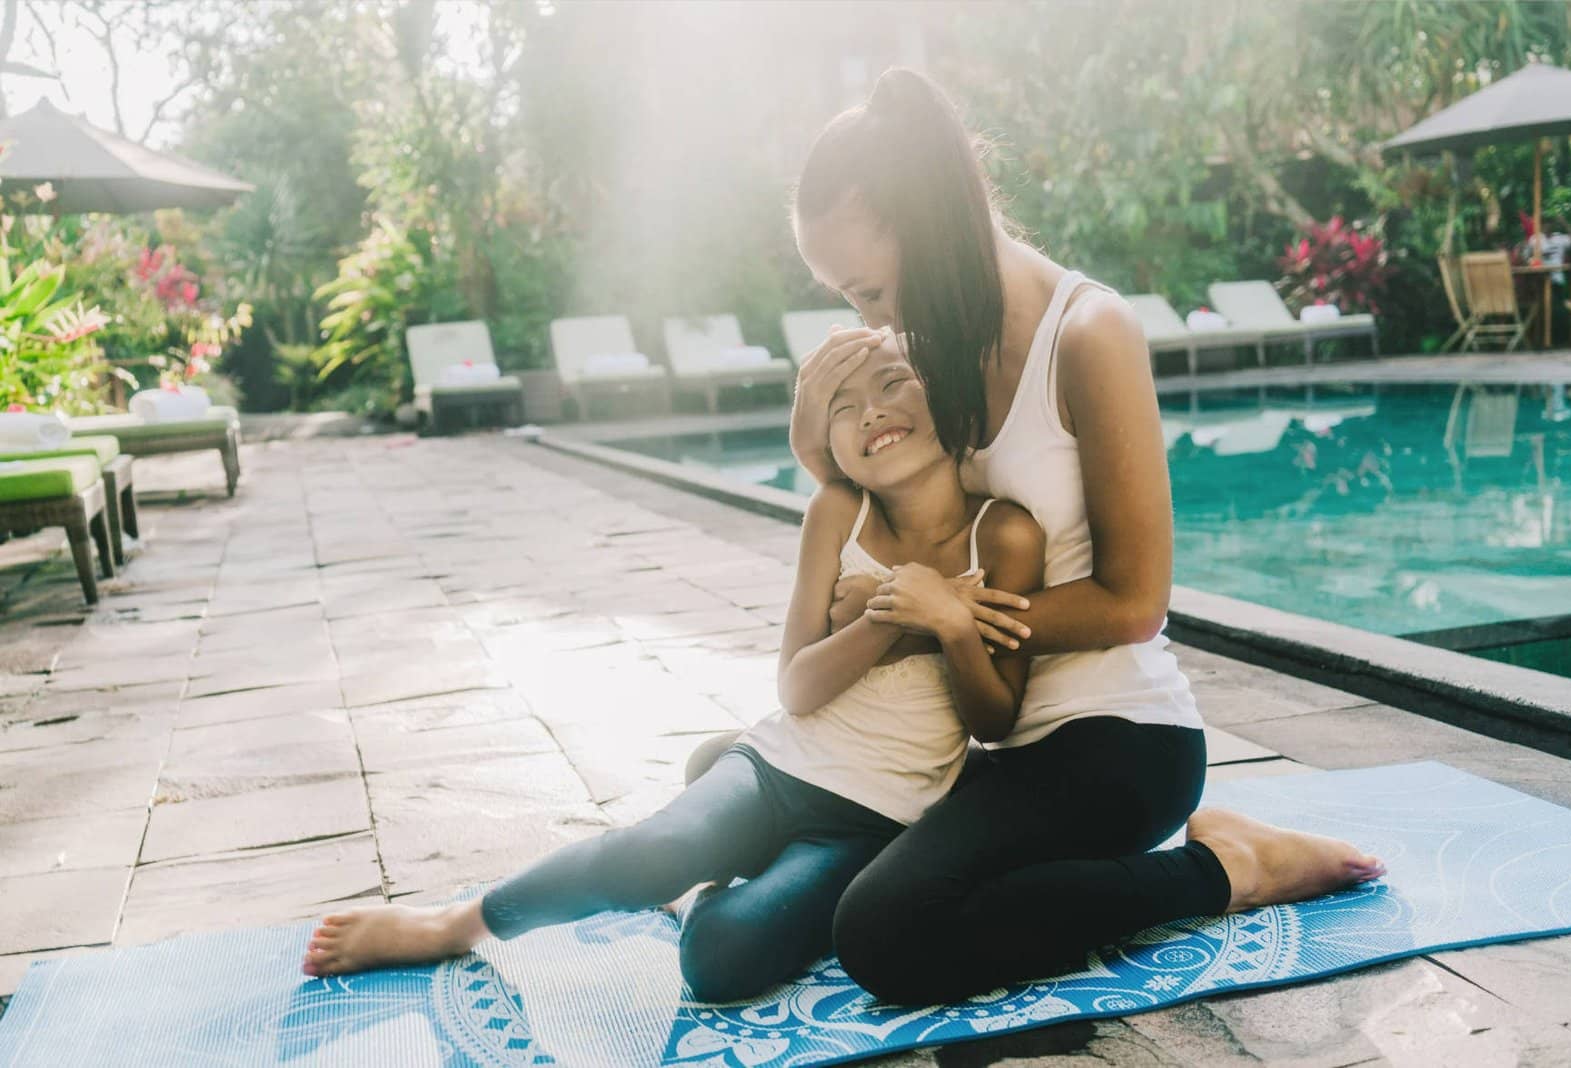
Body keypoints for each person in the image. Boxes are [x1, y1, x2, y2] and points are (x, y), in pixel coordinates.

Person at [690, 66, 1384, 1006]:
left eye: (870, 289)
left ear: (927, 228)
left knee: (886, 934)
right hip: (996, 734)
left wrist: (948, 616)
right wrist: (811, 434)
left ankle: (1230, 868)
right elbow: (886, 506)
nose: (869, 319)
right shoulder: (935, 339)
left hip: (1117, 741)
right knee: (734, 777)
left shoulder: (1090, 332)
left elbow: (1136, 603)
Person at [300, 340, 1047, 1003]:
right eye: (842, 408)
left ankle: (710, 881)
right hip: (778, 764)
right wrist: (890, 617)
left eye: (892, 383)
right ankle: (453, 924)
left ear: (943, 393)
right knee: (654, 852)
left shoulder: (1004, 534)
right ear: (833, 452)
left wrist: (950, 624)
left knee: (720, 963)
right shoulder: (836, 513)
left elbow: (994, 721)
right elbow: (797, 687)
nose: (872, 412)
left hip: (877, 820)